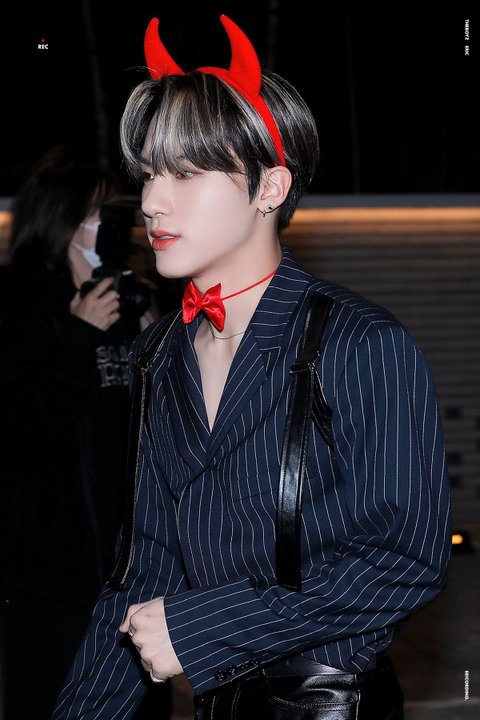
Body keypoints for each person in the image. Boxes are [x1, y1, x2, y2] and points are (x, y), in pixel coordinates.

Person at [51, 15, 451, 720]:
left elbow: (404, 558)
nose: (151, 202)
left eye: (186, 173)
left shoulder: (358, 342)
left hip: (330, 705)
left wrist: (201, 627)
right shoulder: (160, 355)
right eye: (149, 174)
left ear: (270, 187)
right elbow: (143, 569)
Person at [0, 145, 161, 720]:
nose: (111, 225)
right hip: (49, 570)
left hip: (132, 566)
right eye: (99, 213)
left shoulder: (128, 298)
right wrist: (77, 335)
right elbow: (26, 426)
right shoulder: (19, 304)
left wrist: (153, 340)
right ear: (62, 219)